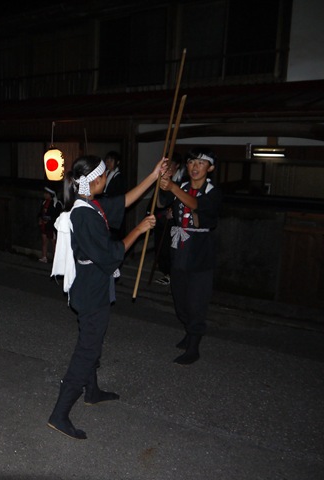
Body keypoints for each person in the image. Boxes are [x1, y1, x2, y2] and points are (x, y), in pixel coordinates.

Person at [47, 154, 167, 440]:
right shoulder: (84, 215)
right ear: (93, 181)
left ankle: (92, 391)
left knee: (92, 339)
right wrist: (139, 229)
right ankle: (59, 414)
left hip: (92, 286)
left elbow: (123, 201)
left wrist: (153, 176)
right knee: (87, 349)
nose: (106, 179)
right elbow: (111, 254)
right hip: (91, 291)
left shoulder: (91, 204)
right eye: (103, 176)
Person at [157, 147, 223, 365]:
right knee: (180, 299)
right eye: (192, 162)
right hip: (179, 248)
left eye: (201, 163)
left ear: (210, 168)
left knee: (196, 300)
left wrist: (173, 187)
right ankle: (189, 331)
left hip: (200, 251)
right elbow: (162, 202)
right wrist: (164, 181)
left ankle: (194, 345)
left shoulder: (212, 191)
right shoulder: (182, 186)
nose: (195, 167)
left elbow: (196, 205)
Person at [152, 152, 183, 286]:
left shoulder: (182, 180)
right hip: (163, 219)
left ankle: (171, 274)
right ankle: (166, 272)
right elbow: (160, 203)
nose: (169, 168)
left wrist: (174, 211)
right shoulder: (165, 180)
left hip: (176, 222)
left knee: (171, 248)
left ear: (178, 166)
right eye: (166, 165)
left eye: (171, 165)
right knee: (161, 246)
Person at [37, 186, 63, 263]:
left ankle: (56, 259)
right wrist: (40, 219)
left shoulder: (56, 203)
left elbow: (58, 215)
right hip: (44, 225)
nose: (44, 195)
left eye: (46, 193)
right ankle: (44, 257)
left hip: (52, 226)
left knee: (53, 242)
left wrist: (49, 219)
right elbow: (40, 213)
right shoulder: (44, 202)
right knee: (44, 241)